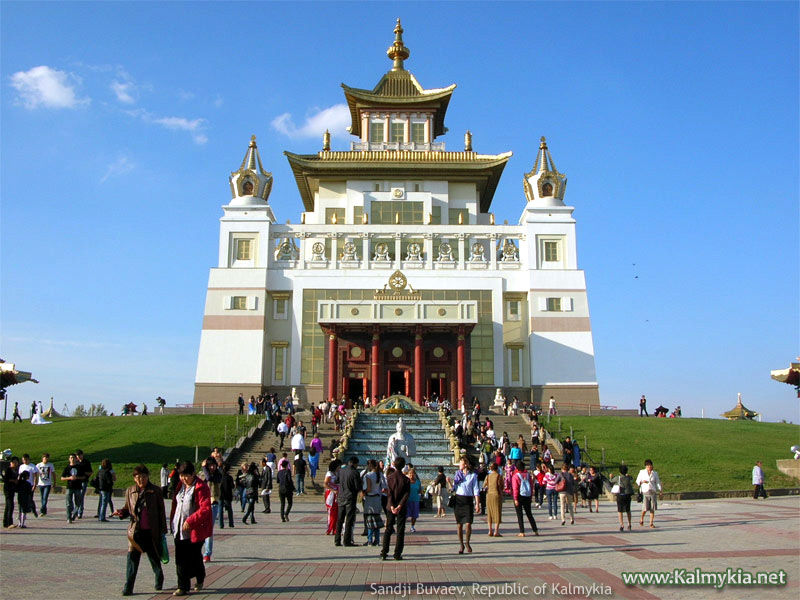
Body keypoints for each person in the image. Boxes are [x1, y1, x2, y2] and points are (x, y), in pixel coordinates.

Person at [114, 464, 167, 596]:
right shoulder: (130, 491)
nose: (141, 480)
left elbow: (161, 511)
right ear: (134, 478)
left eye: (143, 477)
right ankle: (128, 586)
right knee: (132, 559)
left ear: (148, 477)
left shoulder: (156, 491)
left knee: (154, 557)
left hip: (151, 530)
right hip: (135, 532)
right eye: (138, 477)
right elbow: (127, 509)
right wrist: (121, 512)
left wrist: (163, 530)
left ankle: (159, 577)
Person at [170, 461, 212, 596]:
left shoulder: (201, 487)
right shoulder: (180, 486)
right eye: (181, 475)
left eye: (186, 475)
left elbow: (205, 509)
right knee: (180, 559)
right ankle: (182, 586)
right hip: (178, 528)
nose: (183, 478)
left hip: (194, 530)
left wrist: (190, 520)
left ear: (193, 474)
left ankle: (200, 577)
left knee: (194, 558)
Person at [381, 456, 410, 561]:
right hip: (401, 508)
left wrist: (392, 505)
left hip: (390, 507)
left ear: (394, 464)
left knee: (388, 529)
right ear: (403, 466)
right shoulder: (406, 479)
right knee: (400, 530)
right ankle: (397, 553)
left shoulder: (389, 478)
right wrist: (399, 506)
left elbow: (389, 493)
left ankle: (384, 552)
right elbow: (406, 494)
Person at [451, 456, 481, 554]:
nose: (459, 464)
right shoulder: (457, 475)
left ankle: (467, 542)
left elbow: (476, 490)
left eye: (461, 463)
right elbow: (453, 488)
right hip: (459, 500)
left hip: (468, 500)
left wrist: (477, 504)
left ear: (466, 465)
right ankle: (461, 544)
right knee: (459, 525)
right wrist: (449, 483)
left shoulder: (473, 476)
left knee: (468, 524)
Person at [335, 456, 361, 547]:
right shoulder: (355, 472)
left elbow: (336, 480)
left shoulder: (341, 471)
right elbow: (358, 487)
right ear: (354, 463)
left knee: (340, 519)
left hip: (341, 497)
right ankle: (347, 540)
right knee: (349, 520)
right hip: (350, 498)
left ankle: (337, 540)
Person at [201, 458, 222, 561]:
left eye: (214, 465)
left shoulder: (218, 474)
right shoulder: (203, 475)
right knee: (201, 528)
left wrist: (204, 467)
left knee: (209, 529)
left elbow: (209, 478)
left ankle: (207, 553)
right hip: (202, 505)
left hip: (213, 504)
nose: (212, 467)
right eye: (210, 466)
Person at [512, 461, 538, 537]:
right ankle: (535, 530)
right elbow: (531, 485)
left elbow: (515, 488)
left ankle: (522, 531)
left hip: (519, 496)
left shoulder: (516, 476)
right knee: (529, 513)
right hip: (527, 495)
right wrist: (530, 496)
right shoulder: (528, 475)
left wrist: (515, 498)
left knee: (519, 514)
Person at [362, 460, 384, 546]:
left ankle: (370, 539)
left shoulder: (368, 475)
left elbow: (368, 489)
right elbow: (384, 487)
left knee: (370, 521)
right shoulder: (380, 474)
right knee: (377, 520)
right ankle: (377, 540)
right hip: (378, 499)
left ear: (370, 466)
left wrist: (363, 492)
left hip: (370, 499)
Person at [636, 459, 662, 528]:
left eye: (650, 465)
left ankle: (651, 523)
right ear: (645, 466)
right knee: (645, 508)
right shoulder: (642, 472)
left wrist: (660, 490)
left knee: (652, 508)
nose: (649, 467)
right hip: (645, 492)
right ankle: (641, 519)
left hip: (652, 492)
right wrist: (642, 481)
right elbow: (637, 481)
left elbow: (658, 482)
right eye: (648, 466)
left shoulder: (655, 473)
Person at [60, 453, 86, 523]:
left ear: (76, 459)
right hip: (69, 487)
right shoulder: (67, 468)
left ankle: (74, 514)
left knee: (78, 503)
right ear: (69, 459)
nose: (72, 459)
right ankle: (69, 517)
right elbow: (62, 478)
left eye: (73, 458)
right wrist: (69, 478)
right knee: (68, 503)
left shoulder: (79, 467)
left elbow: (84, 477)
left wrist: (77, 478)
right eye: (71, 458)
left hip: (77, 487)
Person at [611, 464, 634, 531]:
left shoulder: (617, 478)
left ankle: (622, 525)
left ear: (620, 471)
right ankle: (629, 524)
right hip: (627, 495)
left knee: (620, 510)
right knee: (628, 510)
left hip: (620, 495)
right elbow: (632, 480)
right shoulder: (628, 477)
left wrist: (610, 477)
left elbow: (611, 481)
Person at [483, 462, 503, 537]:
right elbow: (501, 486)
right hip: (496, 495)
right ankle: (496, 531)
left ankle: (490, 530)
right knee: (497, 513)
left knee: (490, 513)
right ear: (497, 468)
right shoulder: (499, 476)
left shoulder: (488, 476)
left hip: (489, 495)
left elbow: (484, 485)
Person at [323, 459, 341, 535]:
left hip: (336, 494)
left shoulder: (336, 473)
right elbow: (325, 484)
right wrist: (333, 490)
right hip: (331, 494)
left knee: (336, 512)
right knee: (331, 512)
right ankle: (330, 528)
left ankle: (335, 529)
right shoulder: (329, 474)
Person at [75, 449, 92, 519]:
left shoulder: (86, 462)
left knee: (81, 497)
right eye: (77, 455)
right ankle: (76, 510)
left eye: (79, 455)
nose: (78, 457)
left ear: (82, 455)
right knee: (76, 497)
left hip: (83, 481)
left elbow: (90, 472)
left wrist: (84, 473)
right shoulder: (76, 462)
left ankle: (80, 512)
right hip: (76, 481)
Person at [3, 456, 19, 528]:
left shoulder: (16, 470)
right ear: (11, 463)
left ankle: (5, 522)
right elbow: (5, 479)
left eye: (16, 462)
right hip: (7, 489)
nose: (15, 464)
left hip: (12, 489)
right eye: (14, 462)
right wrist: (13, 480)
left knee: (8, 506)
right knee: (10, 505)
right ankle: (9, 522)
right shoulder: (8, 470)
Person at [406, 467, 421, 533]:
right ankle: (402, 526)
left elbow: (419, 490)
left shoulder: (417, 482)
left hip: (415, 500)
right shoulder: (406, 481)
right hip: (407, 500)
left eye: (413, 474)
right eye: (410, 474)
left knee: (414, 515)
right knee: (405, 514)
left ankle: (412, 526)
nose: (411, 475)